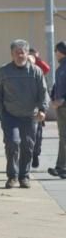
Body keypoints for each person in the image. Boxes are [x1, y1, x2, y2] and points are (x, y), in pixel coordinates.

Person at [0, 39, 48, 189]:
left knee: (28, 147)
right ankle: (12, 176)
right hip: (10, 116)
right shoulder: (3, 72)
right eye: (17, 52)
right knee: (13, 143)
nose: (20, 55)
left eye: (23, 52)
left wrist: (42, 110)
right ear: (11, 54)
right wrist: (3, 111)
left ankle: (24, 176)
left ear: (27, 53)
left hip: (30, 116)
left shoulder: (36, 72)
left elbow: (43, 93)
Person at [28, 48, 52, 169]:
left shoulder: (39, 74)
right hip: (23, 113)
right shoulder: (17, 74)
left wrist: (43, 109)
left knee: (37, 136)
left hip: (37, 111)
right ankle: (25, 161)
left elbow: (45, 94)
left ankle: (36, 154)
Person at [49, 41, 66, 179]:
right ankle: (61, 167)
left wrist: (63, 99)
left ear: (60, 51)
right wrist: (52, 97)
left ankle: (62, 168)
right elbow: (57, 86)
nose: (55, 54)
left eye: (56, 51)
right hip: (61, 108)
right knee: (63, 137)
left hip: (64, 105)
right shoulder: (60, 68)